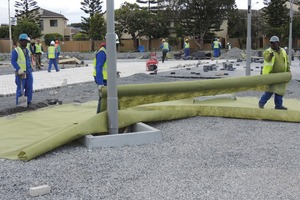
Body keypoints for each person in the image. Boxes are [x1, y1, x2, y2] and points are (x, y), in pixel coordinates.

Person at [258, 36, 290, 110]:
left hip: (281, 75)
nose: (271, 44)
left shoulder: (283, 51)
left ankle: (278, 105)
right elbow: (267, 58)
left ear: (278, 43)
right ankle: (261, 103)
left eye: (273, 43)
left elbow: (286, 62)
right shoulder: (268, 51)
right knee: (270, 91)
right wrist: (270, 56)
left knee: (279, 92)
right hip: (271, 75)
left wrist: (288, 71)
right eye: (271, 43)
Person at [11, 33, 33, 107]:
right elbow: (13, 61)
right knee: (20, 89)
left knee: (29, 87)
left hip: (28, 72)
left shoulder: (27, 50)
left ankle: (28, 102)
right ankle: (20, 105)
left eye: (26, 41)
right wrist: (19, 69)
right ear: (20, 41)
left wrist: (31, 68)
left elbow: (28, 60)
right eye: (24, 41)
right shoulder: (16, 51)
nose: (26, 43)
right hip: (21, 73)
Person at [93, 42, 107, 113]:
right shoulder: (102, 53)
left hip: (105, 78)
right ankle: (99, 114)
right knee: (103, 97)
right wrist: (100, 83)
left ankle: (104, 113)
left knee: (106, 97)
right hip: (102, 79)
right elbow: (99, 67)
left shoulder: (107, 51)